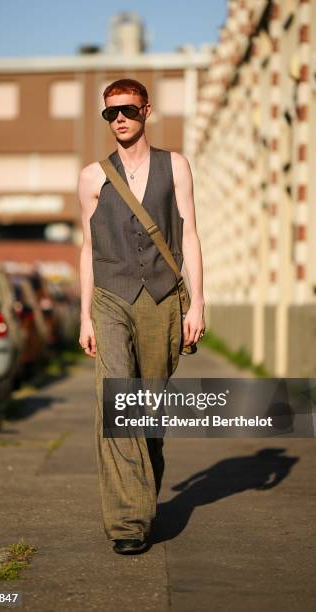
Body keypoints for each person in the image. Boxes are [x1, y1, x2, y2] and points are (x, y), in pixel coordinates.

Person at [78, 78, 205, 554]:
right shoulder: (92, 177)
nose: (120, 119)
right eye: (111, 113)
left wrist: (198, 301)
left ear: (146, 110)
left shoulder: (176, 167)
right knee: (116, 402)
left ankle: (144, 486)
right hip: (110, 297)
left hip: (161, 298)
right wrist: (85, 316)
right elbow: (88, 248)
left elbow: (189, 234)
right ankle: (128, 523)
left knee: (149, 405)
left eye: (128, 110)